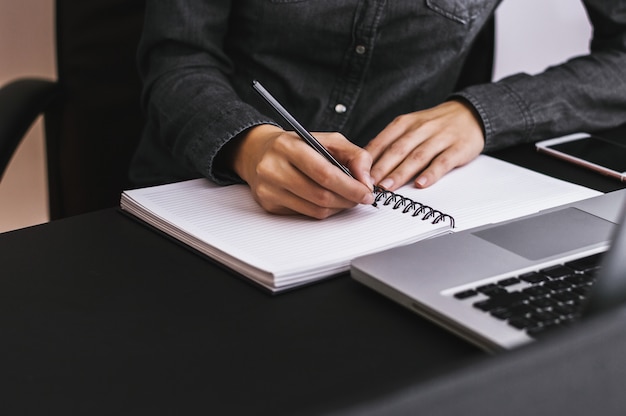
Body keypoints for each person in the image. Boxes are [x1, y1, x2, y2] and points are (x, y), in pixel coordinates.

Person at [130, 0, 626, 219]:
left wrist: (484, 113)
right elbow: (176, 57)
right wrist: (248, 145)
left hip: (392, 218)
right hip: (206, 198)